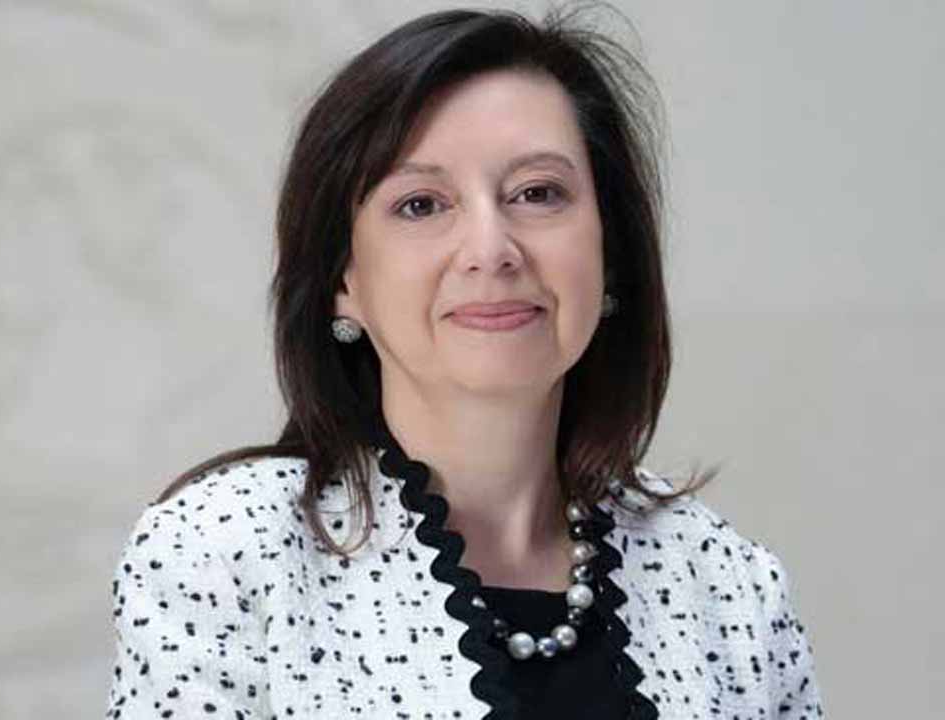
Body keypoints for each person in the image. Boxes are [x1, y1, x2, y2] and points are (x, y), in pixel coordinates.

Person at [104, 5, 823, 718]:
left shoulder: (729, 583)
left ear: (610, 255)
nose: (491, 249)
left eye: (538, 193)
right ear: (342, 280)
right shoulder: (224, 549)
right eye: (421, 205)